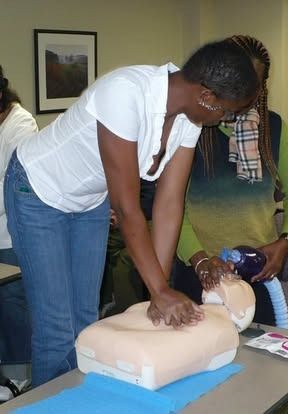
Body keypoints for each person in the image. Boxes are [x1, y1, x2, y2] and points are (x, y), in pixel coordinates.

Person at [4, 39, 260, 387]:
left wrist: (161, 286)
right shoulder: (125, 94)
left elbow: (169, 204)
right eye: (228, 111)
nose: (227, 119)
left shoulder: (189, 121)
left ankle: (82, 402)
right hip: (37, 191)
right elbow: (127, 209)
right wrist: (157, 290)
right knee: (56, 328)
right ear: (207, 96)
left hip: (89, 199)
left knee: (85, 319)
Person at [172, 35, 288, 325]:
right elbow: (172, 208)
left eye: (250, 84)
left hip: (257, 271)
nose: (239, 92)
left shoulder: (273, 128)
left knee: (262, 362)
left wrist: (284, 242)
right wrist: (199, 259)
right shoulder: (191, 127)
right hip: (199, 270)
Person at [0, 66, 36, 374]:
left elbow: (16, 188)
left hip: (11, 235)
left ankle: (22, 375)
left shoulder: (21, 126)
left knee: (13, 304)